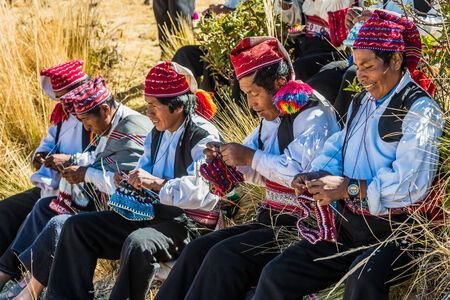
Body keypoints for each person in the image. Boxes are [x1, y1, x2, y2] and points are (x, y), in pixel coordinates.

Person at [251, 10, 444, 300]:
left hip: (399, 233)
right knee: (278, 273)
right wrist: (318, 174)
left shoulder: (420, 109)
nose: (361, 75)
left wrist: (347, 188)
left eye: (368, 66)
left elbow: (411, 185)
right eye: (356, 65)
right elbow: (339, 145)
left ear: (395, 60)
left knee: (362, 279)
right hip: (352, 225)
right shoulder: (362, 101)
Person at [154, 36, 340, 300]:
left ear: (278, 84)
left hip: (304, 229)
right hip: (273, 221)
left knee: (224, 256)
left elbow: (297, 174)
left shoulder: (313, 114)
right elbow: (259, 173)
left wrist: (249, 157)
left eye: (254, 94)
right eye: (246, 95)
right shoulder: (272, 117)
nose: (251, 104)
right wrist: (227, 159)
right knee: (198, 249)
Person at [44, 61, 222, 300]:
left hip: (188, 224)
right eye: (147, 105)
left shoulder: (203, 135)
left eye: (153, 106)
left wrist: (156, 183)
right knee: (78, 227)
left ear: (177, 106)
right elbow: (142, 172)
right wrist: (127, 181)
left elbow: (205, 193)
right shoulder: (157, 133)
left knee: (139, 243)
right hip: (153, 214)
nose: (148, 112)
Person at [0, 76, 152, 300]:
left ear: (105, 110)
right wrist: (72, 161)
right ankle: (8, 274)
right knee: (44, 206)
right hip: (99, 199)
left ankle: (31, 288)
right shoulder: (110, 126)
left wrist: (84, 174)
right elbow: (99, 158)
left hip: (126, 211)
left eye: (86, 121)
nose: (85, 127)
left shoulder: (131, 128)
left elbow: (127, 184)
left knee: (62, 222)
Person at [0, 60, 93, 294]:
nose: (64, 103)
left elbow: (99, 157)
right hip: (51, 185)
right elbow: (48, 142)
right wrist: (41, 156)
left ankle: (9, 272)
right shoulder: (63, 116)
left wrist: (68, 160)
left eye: (67, 97)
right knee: (7, 210)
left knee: (39, 213)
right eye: (60, 98)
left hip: (80, 193)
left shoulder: (93, 113)